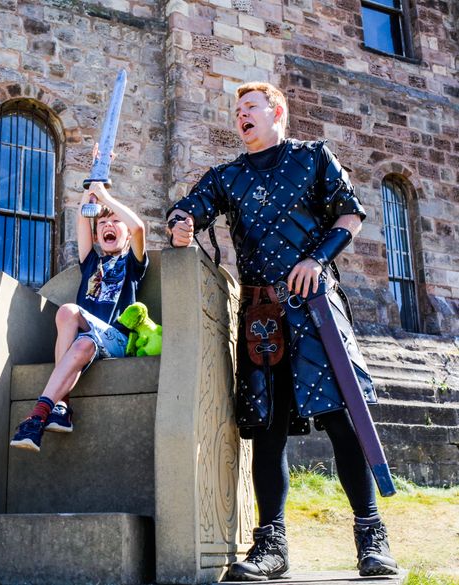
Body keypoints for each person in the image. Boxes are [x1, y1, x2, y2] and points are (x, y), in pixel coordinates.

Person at [166, 81, 398, 580]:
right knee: (267, 431)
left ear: (276, 112)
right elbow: (191, 204)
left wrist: (318, 259)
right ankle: (271, 548)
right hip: (260, 318)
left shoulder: (313, 157)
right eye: (236, 110)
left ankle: (372, 539)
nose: (240, 116)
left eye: (249, 107)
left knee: (342, 421)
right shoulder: (227, 176)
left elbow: (351, 214)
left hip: (315, 309)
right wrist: (181, 222)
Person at [10, 179, 147, 452]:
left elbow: (139, 227)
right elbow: (82, 215)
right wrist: (92, 184)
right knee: (78, 334)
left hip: (117, 339)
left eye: (116, 222)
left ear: (126, 235)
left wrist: (105, 196)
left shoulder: (132, 263)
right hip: (88, 341)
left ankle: (40, 411)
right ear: (97, 236)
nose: (109, 226)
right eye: (103, 224)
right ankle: (56, 410)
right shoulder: (91, 263)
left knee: (69, 311)